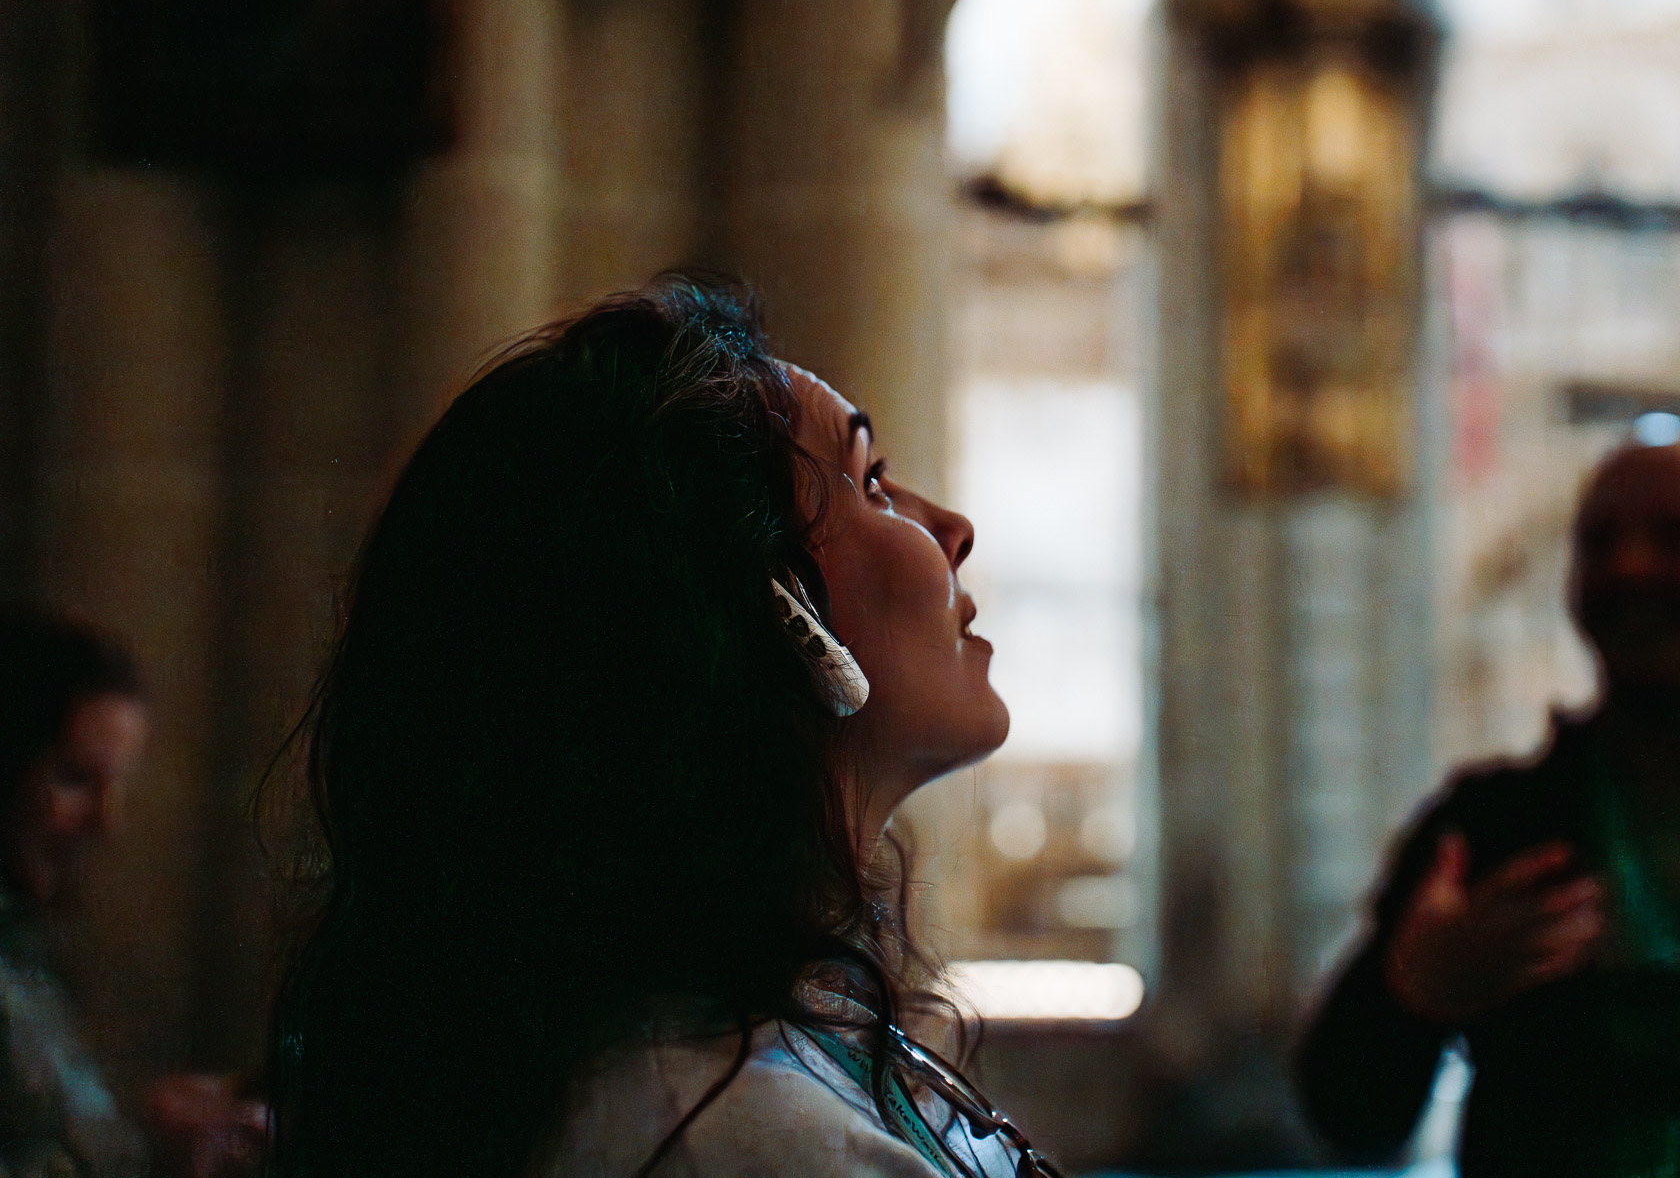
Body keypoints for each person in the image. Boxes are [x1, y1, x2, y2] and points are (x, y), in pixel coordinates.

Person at [266, 273, 1048, 1178]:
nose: (954, 528)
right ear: (763, 611)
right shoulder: (750, 1143)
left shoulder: (775, 1051)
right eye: (872, 482)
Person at [1296, 439, 1680, 1176]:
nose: (1631, 569)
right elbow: (1347, 1116)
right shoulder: (1499, 832)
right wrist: (1413, 991)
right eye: (1599, 543)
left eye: (1678, 539)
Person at [0, 606, 263, 1177]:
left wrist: (144, 1124)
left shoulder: (26, 948)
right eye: (72, 779)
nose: (106, 825)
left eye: (118, 785)